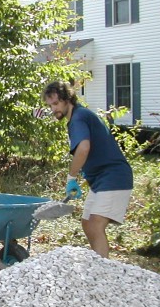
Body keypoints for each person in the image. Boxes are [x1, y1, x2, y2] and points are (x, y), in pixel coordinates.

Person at [43, 81, 133, 258]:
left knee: (95, 224)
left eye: (55, 104)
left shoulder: (78, 118)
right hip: (101, 179)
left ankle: (101, 271)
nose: (53, 109)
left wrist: (71, 178)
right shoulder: (80, 115)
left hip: (114, 177)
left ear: (67, 99)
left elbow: (83, 148)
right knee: (87, 223)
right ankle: (97, 265)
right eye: (50, 105)